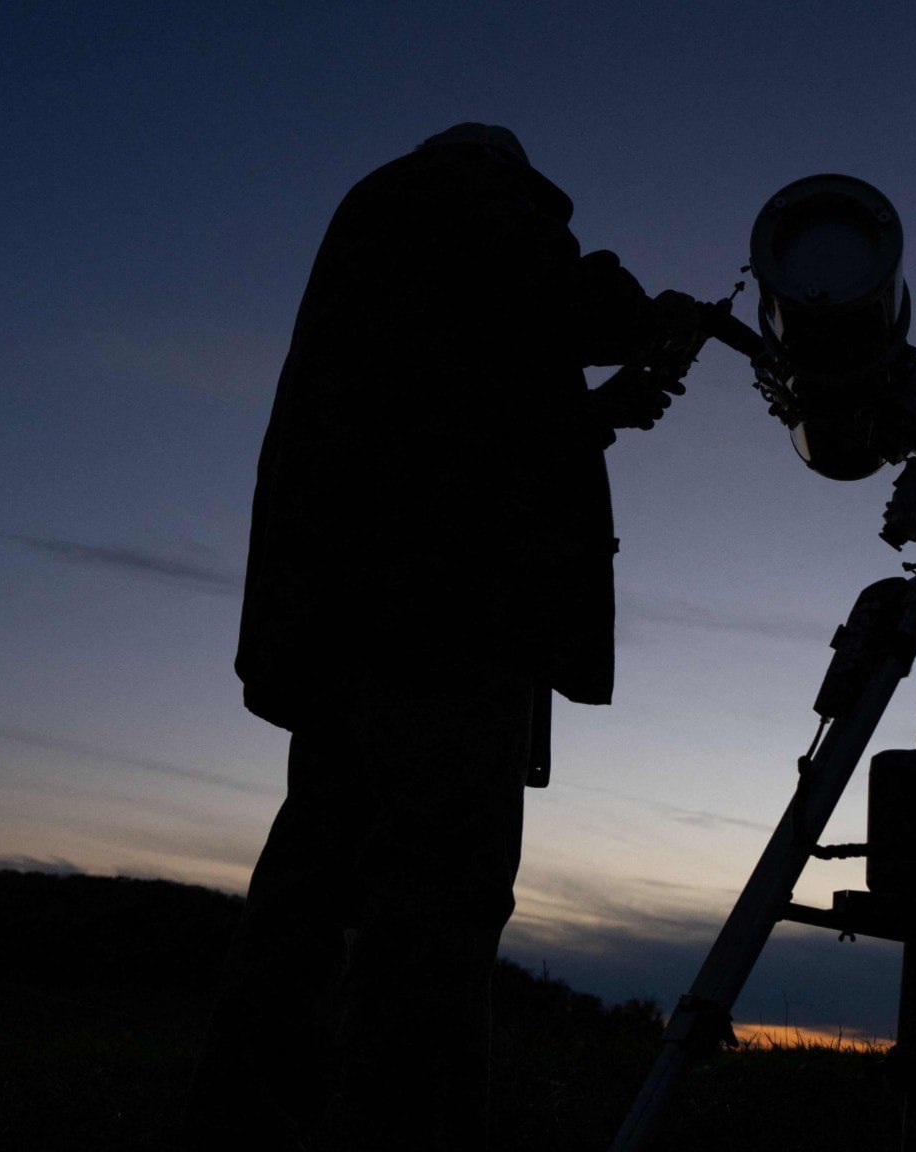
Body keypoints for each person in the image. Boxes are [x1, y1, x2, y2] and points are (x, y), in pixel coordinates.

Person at [184, 123, 690, 1151]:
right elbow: (560, 308)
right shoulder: (464, 198)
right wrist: (644, 315)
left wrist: (598, 414)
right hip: (445, 619)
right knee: (437, 914)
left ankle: (240, 1123)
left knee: (311, 892)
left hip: (350, 615)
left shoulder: (388, 244)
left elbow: (458, 411)